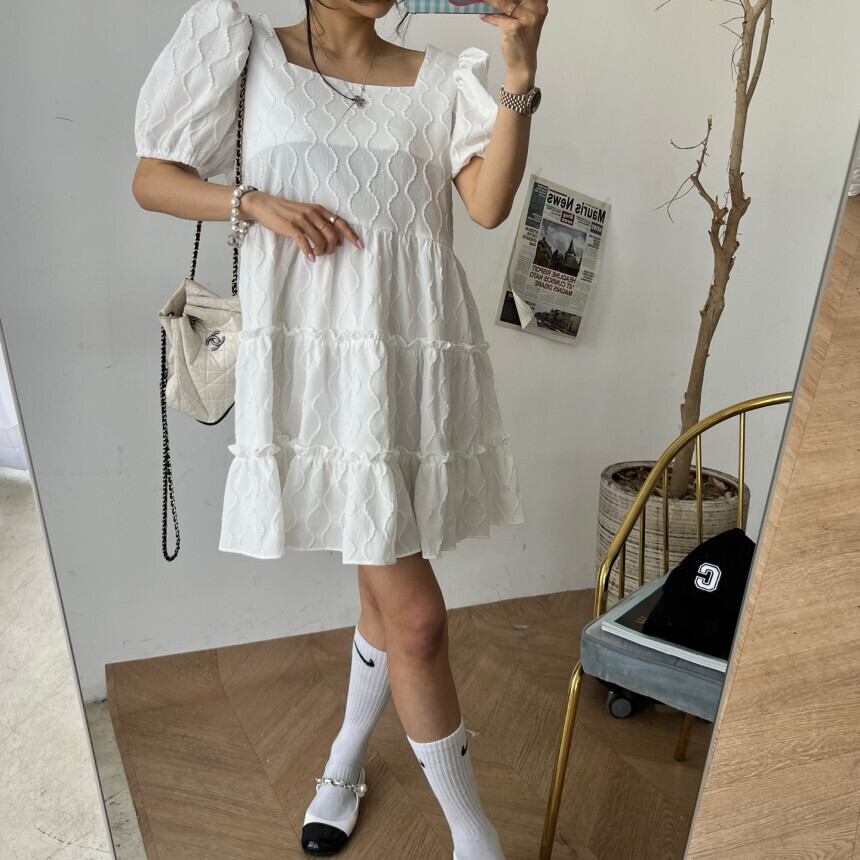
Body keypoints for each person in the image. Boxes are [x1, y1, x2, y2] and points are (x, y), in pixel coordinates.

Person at [132, 0, 547, 856]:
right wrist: (252, 203)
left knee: (382, 595)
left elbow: (487, 206)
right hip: (319, 373)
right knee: (418, 621)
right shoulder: (247, 52)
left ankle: (343, 762)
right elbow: (152, 179)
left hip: (411, 366)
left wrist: (519, 72)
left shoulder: (440, 78)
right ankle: (474, 837)